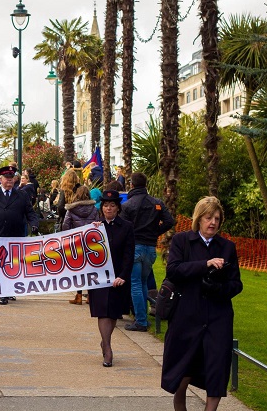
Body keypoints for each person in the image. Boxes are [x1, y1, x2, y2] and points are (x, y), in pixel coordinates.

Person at [161, 196, 243, 411]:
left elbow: (236, 284)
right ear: (199, 219)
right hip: (187, 315)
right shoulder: (182, 241)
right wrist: (204, 265)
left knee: (217, 368)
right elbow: (174, 270)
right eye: (208, 217)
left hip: (218, 317)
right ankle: (180, 406)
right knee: (183, 368)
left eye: (216, 218)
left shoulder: (227, 247)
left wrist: (218, 288)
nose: (213, 222)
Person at [120, 172, 175, 332]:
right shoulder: (156, 203)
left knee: (136, 283)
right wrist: (155, 232)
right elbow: (169, 221)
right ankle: (142, 318)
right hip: (150, 248)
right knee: (143, 282)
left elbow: (123, 227)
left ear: (131, 184)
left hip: (135, 246)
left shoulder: (128, 205)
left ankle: (141, 321)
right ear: (145, 184)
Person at [89, 190, 134, 367]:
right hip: (99, 277)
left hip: (118, 276)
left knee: (113, 311)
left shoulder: (127, 226)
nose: (109, 208)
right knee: (102, 310)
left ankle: (105, 340)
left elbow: (129, 253)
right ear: (102, 207)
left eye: (112, 205)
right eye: (106, 205)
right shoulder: (95, 226)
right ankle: (107, 348)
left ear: (118, 208)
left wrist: (123, 275)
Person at [0, 165, 39, 305]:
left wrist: (34, 224)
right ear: (0, 179)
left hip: (15, 236)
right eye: (6, 179)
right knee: (1, 264)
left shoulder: (21, 195)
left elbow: (30, 213)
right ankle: (3, 292)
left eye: (11, 178)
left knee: (13, 265)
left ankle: (11, 289)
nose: (9, 181)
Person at [62, 185, 99, 305]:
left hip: (76, 242)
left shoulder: (71, 209)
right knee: (90, 269)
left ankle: (78, 295)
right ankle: (90, 296)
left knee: (78, 269)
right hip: (90, 243)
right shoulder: (94, 209)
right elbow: (97, 224)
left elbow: (65, 226)